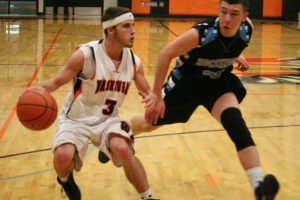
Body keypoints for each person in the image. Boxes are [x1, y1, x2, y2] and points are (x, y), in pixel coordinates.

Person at [98, 0, 280, 199]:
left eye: (234, 14)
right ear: (218, 10)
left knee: (235, 123)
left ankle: (259, 188)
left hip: (217, 83)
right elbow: (165, 53)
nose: (227, 18)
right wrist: (157, 96)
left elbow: (230, 42)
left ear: (244, 17)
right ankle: (117, 133)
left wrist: (236, 54)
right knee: (149, 123)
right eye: (223, 12)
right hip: (186, 85)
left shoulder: (246, 30)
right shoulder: (201, 34)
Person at [25, 7, 158, 200]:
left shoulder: (134, 62)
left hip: (108, 119)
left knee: (123, 149)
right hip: (76, 119)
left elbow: (149, 93)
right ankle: (65, 179)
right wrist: (31, 92)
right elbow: (56, 82)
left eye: (133, 26)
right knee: (63, 157)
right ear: (110, 30)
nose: (133, 31)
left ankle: (148, 197)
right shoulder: (86, 55)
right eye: (126, 26)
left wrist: (154, 100)